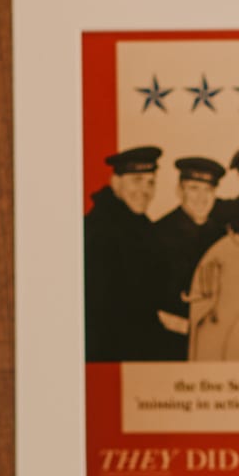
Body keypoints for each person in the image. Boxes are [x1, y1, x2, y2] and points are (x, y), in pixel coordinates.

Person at [83, 142, 164, 363]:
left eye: (150, 183)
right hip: (114, 353)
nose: (145, 191)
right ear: (116, 182)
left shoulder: (138, 224)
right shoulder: (98, 230)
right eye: (136, 181)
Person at [151, 155, 229, 346]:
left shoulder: (222, 235)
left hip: (214, 338)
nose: (202, 198)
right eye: (194, 188)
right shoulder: (157, 234)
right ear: (179, 190)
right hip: (170, 340)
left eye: (208, 190)